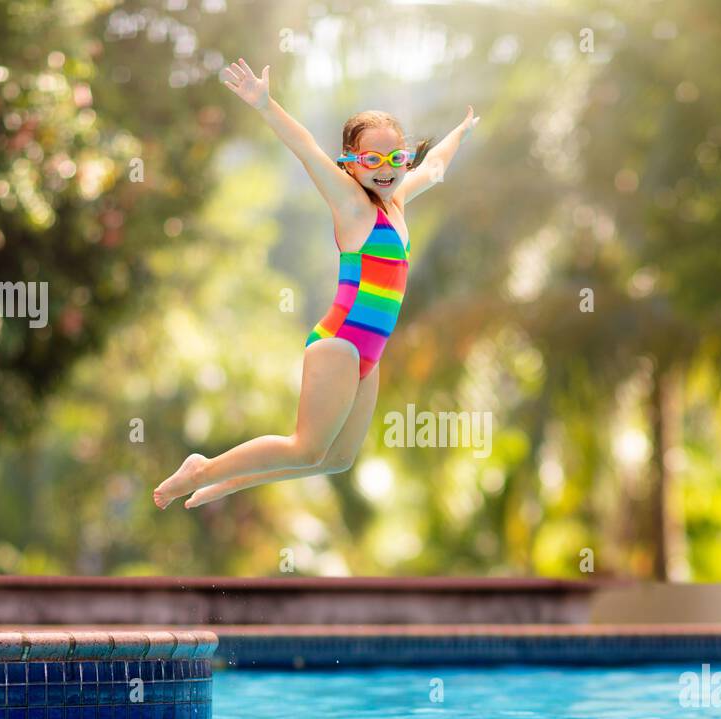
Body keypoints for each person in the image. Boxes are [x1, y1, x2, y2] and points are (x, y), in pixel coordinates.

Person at [154, 57, 478, 510]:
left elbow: (436, 167)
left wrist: (459, 133)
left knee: (337, 460)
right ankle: (202, 469)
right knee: (306, 446)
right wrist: (266, 105)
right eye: (372, 160)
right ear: (349, 164)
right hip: (339, 343)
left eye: (396, 158)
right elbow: (304, 146)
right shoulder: (351, 204)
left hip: (369, 353)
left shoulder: (397, 201)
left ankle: (229, 480)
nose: (386, 169)